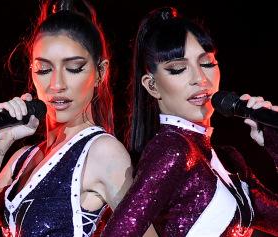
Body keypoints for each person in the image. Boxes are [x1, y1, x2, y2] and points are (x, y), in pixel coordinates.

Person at [101, 7, 278, 237]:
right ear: (152, 85)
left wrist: (274, 143)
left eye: (207, 64)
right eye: (178, 69)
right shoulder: (173, 149)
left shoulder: (228, 159)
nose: (200, 79)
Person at [0, 0, 134, 236]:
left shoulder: (102, 152)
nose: (56, 85)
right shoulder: (21, 160)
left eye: (73, 68)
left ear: (100, 73)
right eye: (43, 70)